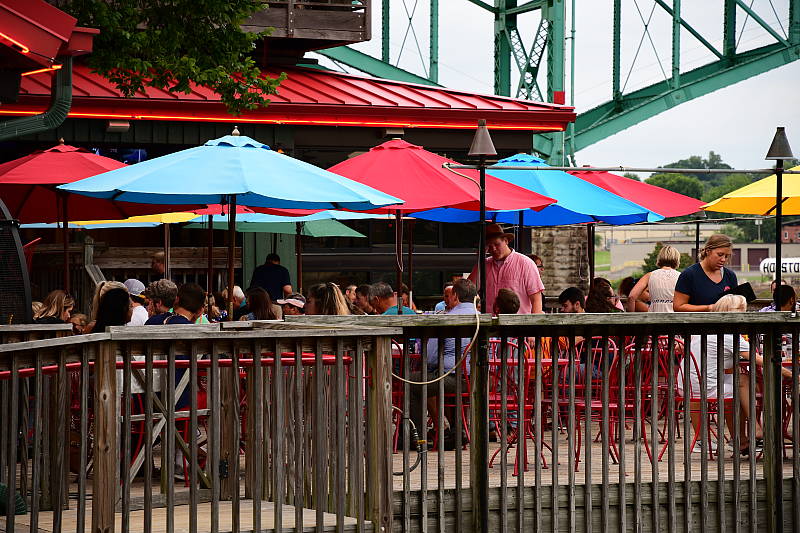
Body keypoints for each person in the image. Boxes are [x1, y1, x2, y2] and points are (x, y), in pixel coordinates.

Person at [409, 279, 478, 449]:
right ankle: (456, 431)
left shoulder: (446, 319)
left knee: (412, 382)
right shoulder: (482, 317)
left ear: (455, 296)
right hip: (479, 379)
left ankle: (417, 437)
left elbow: (431, 358)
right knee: (436, 382)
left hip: (452, 377)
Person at [468, 223, 544, 314]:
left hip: (517, 321)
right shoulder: (483, 265)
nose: (494, 249)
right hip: (490, 320)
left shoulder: (525, 263)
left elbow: (536, 299)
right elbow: (468, 291)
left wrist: (534, 321)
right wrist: (480, 258)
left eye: (497, 244)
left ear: (506, 241)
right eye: (490, 246)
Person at [674, 234, 737, 312]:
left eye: (727, 256)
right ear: (708, 251)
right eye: (720, 255)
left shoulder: (730, 276)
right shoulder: (689, 275)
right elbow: (678, 306)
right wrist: (708, 308)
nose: (723, 259)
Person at [627, 244, 681, 313]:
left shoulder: (649, 276)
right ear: (677, 259)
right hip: (676, 317)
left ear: (659, 258)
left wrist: (630, 317)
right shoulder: (681, 276)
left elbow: (631, 297)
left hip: (654, 317)